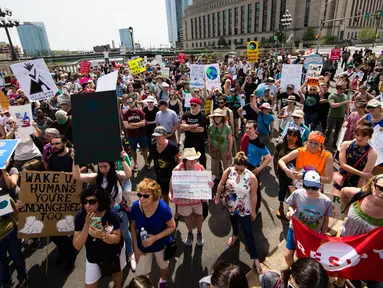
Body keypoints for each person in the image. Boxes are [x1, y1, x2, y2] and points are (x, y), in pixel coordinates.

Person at [71, 149, 136, 270]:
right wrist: (75, 160)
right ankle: (107, 260)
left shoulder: (117, 175)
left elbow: (129, 174)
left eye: (105, 166)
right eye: (100, 166)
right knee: (102, 235)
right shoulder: (96, 177)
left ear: (111, 165)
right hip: (101, 214)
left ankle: (130, 254)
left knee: (124, 233)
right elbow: (77, 176)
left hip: (118, 211)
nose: (102, 169)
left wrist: (123, 159)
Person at [215, 152, 262, 274]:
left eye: (241, 170)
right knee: (233, 222)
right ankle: (235, 234)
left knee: (247, 231)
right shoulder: (229, 170)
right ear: (234, 164)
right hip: (230, 205)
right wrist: (217, 196)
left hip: (243, 208)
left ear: (246, 167)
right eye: (237, 168)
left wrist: (253, 211)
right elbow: (221, 184)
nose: (238, 171)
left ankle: (255, 257)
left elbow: (254, 195)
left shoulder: (252, 177)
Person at [336, 174, 383, 288]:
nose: (382, 193)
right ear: (372, 185)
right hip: (349, 244)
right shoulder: (359, 194)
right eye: (380, 188)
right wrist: (346, 212)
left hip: (371, 252)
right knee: (343, 270)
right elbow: (343, 192)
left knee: (375, 280)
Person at [73, 185, 125, 288]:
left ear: (100, 202)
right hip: (93, 256)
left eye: (92, 202)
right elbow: (77, 245)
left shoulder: (111, 214)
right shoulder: (81, 216)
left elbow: (117, 238)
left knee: (117, 276)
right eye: (85, 202)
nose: (87, 205)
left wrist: (102, 235)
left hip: (113, 254)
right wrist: (86, 225)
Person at [130, 178, 176, 288]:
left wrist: (155, 238)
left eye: (146, 196)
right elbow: (132, 225)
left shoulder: (163, 209)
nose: (141, 198)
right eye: (139, 195)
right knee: (140, 275)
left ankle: (163, 279)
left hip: (160, 245)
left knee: (163, 266)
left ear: (155, 195)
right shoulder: (136, 206)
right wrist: (136, 248)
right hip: (143, 246)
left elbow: (172, 226)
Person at [284, 170, 333, 266]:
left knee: (303, 258)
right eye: (307, 187)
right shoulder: (297, 193)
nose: (310, 190)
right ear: (303, 184)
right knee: (287, 255)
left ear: (320, 185)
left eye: (314, 188)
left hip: (312, 234)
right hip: (295, 230)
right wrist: (291, 211)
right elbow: (291, 205)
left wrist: (322, 235)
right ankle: (293, 271)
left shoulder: (326, 201)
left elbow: (326, 220)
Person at [170, 148, 214, 246]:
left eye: (195, 159)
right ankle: (190, 233)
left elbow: (207, 181)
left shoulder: (200, 167)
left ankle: (199, 233)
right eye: (191, 159)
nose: (194, 161)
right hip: (184, 200)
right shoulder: (178, 169)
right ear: (185, 160)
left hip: (197, 200)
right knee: (187, 217)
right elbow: (172, 180)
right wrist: (170, 192)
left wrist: (210, 184)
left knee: (199, 216)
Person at [0, 164, 28, 288]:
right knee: (1, 263)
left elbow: (15, 214)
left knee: (16, 257)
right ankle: (6, 282)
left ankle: (22, 277)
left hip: (10, 232)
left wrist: (22, 230)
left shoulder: (5, 200)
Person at [333, 122, 377, 194]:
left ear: (369, 137)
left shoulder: (372, 153)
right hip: (341, 178)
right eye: (357, 135)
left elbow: (364, 176)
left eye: (363, 136)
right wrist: (361, 174)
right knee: (334, 202)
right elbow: (343, 164)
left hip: (356, 182)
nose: (359, 138)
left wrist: (358, 191)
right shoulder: (346, 144)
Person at [240, 120, 272, 213]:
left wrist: (259, 169)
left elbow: (268, 158)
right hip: (244, 166)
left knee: (255, 190)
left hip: (253, 169)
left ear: (255, 129)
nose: (247, 130)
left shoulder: (260, 143)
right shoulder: (245, 138)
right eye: (246, 128)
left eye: (250, 128)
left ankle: (256, 208)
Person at [274, 127, 303, 219]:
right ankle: (281, 206)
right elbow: (276, 158)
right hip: (282, 174)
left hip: (295, 176)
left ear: (298, 138)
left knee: (293, 193)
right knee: (281, 190)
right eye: (289, 135)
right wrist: (276, 171)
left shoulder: (301, 149)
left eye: (294, 136)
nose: (290, 137)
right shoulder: (281, 145)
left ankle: (290, 209)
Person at [151, 126, 180, 205]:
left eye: (159, 136)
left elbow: (179, 157)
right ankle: (163, 209)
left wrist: (178, 170)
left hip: (169, 175)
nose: (156, 138)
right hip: (158, 174)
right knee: (158, 194)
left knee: (169, 194)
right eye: (155, 136)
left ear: (164, 135)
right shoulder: (153, 145)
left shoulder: (172, 146)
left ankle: (172, 210)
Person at [123, 96, 150, 171]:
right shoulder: (126, 113)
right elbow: (126, 126)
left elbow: (144, 123)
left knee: (144, 148)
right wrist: (138, 124)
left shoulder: (140, 111)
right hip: (131, 135)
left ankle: (146, 161)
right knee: (133, 150)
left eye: (131, 102)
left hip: (141, 134)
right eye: (128, 103)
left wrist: (132, 124)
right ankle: (135, 163)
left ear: (134, 101)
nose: (130, 104)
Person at [208, 108, 233, 182]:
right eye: (215, 116)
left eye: (219, 116)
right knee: (214, 168)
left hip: (224, 150)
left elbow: (230, 140)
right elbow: (209, 139)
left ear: (222, 117)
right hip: (214, 150)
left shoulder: (227, 128)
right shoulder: (210, 127)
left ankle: (227, 182)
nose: (217, 118)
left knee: (227, 168)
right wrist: (210, 149)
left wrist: (229, 151)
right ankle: (215, 180)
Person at [181, 98, 206, 168]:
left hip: (199, 141)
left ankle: (203, 174)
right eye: (191, 105)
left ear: (199, 106)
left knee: (202, 159)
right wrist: (194, 126)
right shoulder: (186, 114)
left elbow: (201, 129)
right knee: (187, 158)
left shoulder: (202, 115)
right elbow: (182, 127)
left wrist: (188, 127)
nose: (193, 107)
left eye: (195, 105)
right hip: (188, 140)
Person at [325, 83, 351, 149]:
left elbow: (347, 106)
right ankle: (325, 142)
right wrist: (344, 102)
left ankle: (334, 144)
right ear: (338, 88)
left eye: (344, 89)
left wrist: (347, 114)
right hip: (332, 116)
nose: (344, 90)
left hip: (341, 117)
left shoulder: (345, 96)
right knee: (329, 130)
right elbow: (332, 105)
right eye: (343, 89)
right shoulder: (332, 96)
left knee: (338, 131)